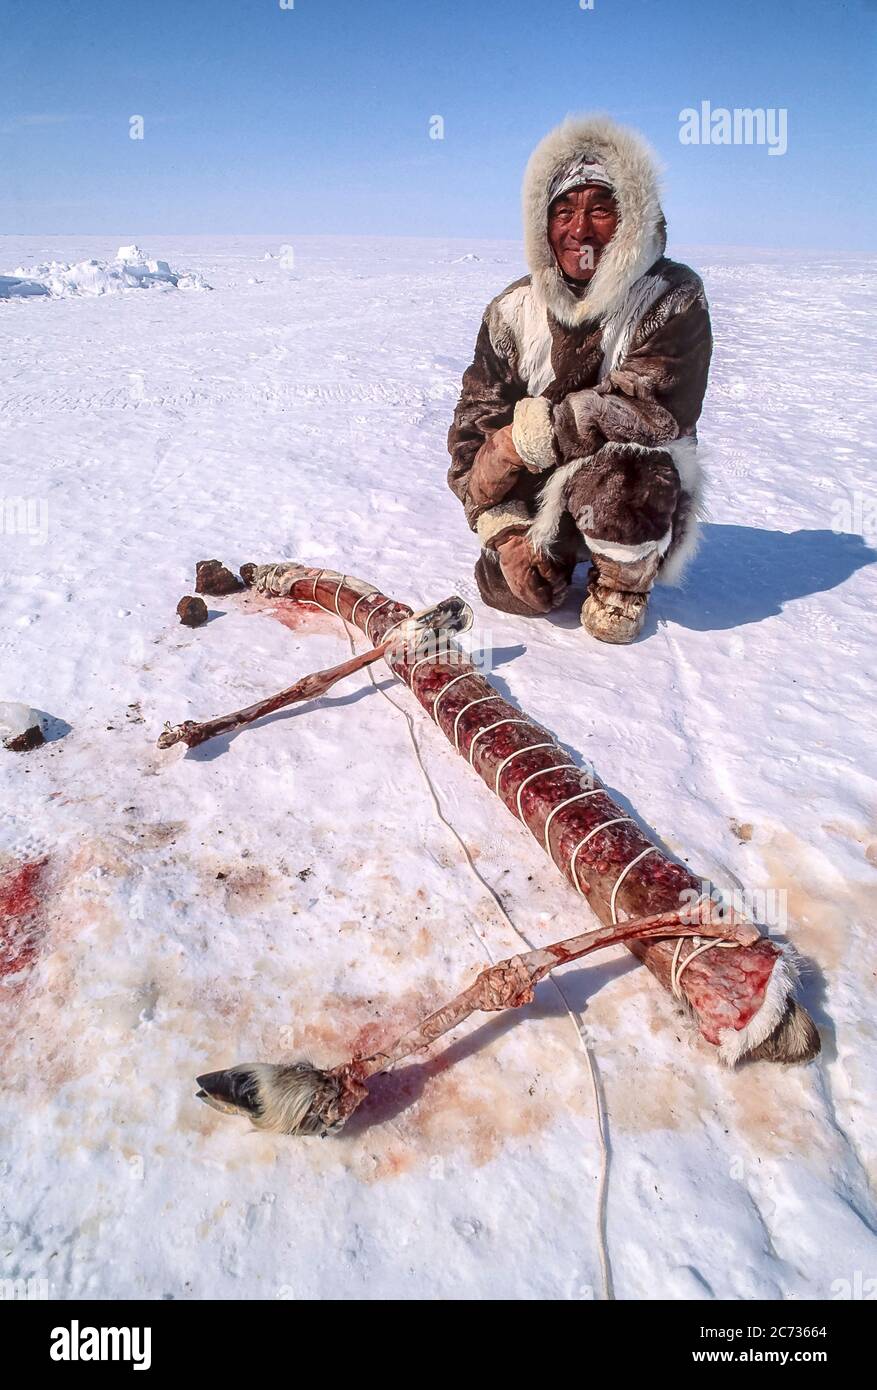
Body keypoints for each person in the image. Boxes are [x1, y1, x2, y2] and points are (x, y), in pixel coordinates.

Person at [447, 115, 713, 643]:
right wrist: (501, 525)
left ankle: (623, 580)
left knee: (624, 476)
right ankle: (549, 551)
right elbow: (474, 423)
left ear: (632, 217)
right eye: (563, 210)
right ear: (541, 224)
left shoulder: (671, 296)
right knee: (513, 590)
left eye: (601, 208)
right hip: (544, 488)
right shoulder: (511, 309)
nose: (579, 228)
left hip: (635, 490)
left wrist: (535, 434)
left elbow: (653, 407)